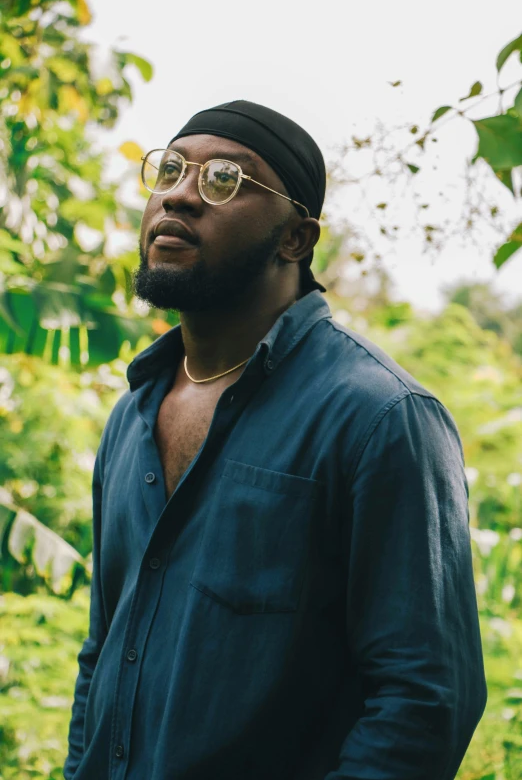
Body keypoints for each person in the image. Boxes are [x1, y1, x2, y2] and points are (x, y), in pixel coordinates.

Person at [64, 100, 487, 780]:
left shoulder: (381, 418)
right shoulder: (132, 414)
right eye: (170, 170)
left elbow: (425, 700)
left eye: (225, 179)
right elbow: (105, 648)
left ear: (295, 238)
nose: (179, 194)